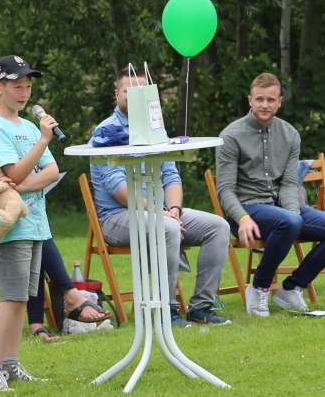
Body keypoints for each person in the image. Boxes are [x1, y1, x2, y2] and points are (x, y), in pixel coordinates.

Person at [0, 98, 109, 341]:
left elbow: (47, 172)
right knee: (33, 240)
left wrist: (20, 187)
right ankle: (65, 298)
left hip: (20, 220)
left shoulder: (20, 140)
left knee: (34, 235)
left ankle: (40, 321)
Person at [90, 67, 231, 327]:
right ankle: (166, 309)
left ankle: (201, 307)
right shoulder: (105, 132)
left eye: (140, 92)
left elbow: (171, 176)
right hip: (119, 217)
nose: (134, 97)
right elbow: (118, 189)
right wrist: (159, 212)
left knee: (218, 226)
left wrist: (174, 208)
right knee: (166, 227)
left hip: (161, 212)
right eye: (127, 91)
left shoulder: (156, 129)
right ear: (116, 94)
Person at [216, 72, 325, 318]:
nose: (265, 105)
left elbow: (290, 183)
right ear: (250, 100)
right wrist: (243, 217)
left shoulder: (290, 134)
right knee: (289, 221)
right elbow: (225, 189)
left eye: (270, 99)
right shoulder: (230, 135)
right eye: (259, 99)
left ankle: (291, 288)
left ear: (280, 101)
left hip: (282, 209)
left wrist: (293, 213)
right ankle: (258, 287)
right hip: (246, 211)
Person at [0, 55, 59, 392]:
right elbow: (13, 172)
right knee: (10, 299)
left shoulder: (28, 127)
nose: (23, 92)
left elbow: (51, 172)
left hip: (36, 223)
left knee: (24, 299)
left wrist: (22, 185)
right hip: (10, 227)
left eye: (27, 86)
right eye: (16, 86)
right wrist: (41, 144)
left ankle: (11, 364)